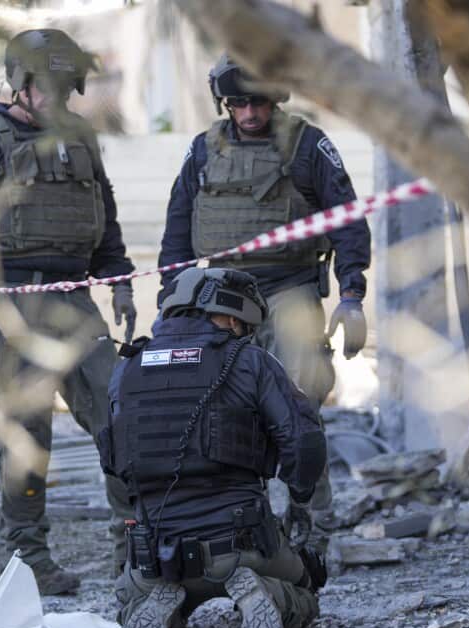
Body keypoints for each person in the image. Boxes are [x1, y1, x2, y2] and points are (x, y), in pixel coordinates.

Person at [0, 29, 137, 594]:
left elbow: (105, 218)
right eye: (43, 86)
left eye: (62, 87)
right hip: (16, 306)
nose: (55, 98)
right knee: (26, 436)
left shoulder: (81, 140)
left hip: (77, 302)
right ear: (20, 85)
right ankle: (30, 560)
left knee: (120, 417)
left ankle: (132, 547)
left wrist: (120, 284)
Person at [155, 55, 371, 555]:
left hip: (288, 287)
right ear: (224, 103)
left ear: (275, 100)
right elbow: (178, 228)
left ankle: (312, 522)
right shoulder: (203, 150)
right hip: (222, 297)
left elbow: (347, 220)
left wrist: (352, 295)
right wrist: (172, 301)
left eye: (258, 102)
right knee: (218, 411)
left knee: (301, 402)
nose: (249, 113)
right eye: (238, 103)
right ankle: (238, 522)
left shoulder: (307, 145)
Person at [101, 267, 329, 628]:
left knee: (130, 604)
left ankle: (166, 610)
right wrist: (300, 498)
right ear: (226, 315)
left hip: (156, 554)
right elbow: (304, 441)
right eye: (242, 326)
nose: (241, 335)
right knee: (306, 592)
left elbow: (114, 466)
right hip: (242, 547)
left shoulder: (126, 369)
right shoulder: (251, 361)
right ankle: (267, 595)